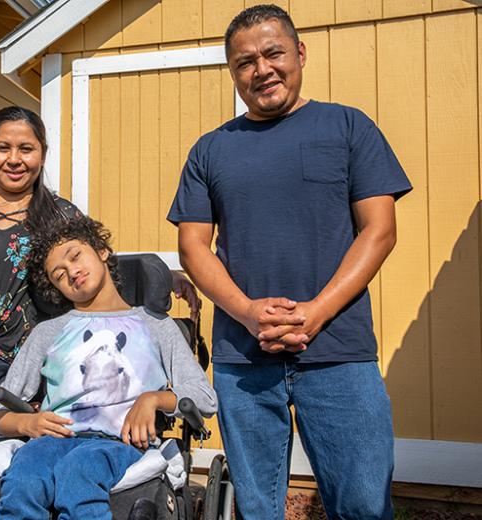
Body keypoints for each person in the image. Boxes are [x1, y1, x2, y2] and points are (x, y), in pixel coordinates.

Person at [168, 5, 412, 519]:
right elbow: (194, 247)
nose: (262, 69)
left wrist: (317, 311)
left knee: (365, 505)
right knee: (257, 508)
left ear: (299, 52)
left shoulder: (348, 126)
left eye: (273, 53)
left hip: (339, 351)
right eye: (245, 62)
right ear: (233, 72)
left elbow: (380, 230)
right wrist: (248, 312)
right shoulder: (211, 149)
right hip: (244, 357)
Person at [0, 105, 200, 492]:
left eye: (27, 148)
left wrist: (163, 275)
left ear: (42, 153)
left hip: (35, 370)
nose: (15, 159)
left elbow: (90, 259)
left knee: (19, 479)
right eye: (4, 148)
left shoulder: (59, 214)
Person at [0, 216, 217, 519]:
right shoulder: (48, 332)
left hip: (118, 444)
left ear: (101, 250)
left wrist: (154, 399)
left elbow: (205, 398)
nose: (72, 272)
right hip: (53, 441)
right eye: (59, 274)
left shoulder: (155, 326)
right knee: (24, 476)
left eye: (76, 256)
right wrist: (25, 424)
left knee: (79, 468)